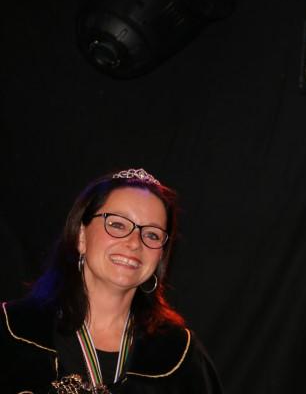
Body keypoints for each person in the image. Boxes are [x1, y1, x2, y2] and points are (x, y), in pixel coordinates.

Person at [0, 168, 222, 393]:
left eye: (152, 234)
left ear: (160, 256)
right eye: (117, 224)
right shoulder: (13, 330)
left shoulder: (179, 355)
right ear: (81, 236)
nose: (135, 243)